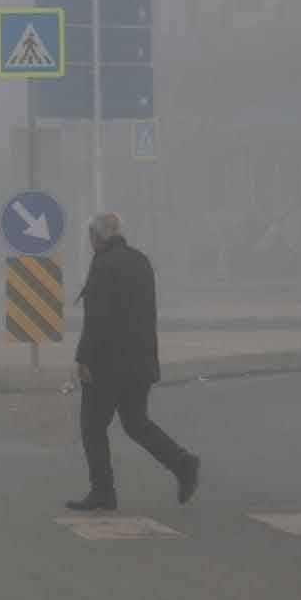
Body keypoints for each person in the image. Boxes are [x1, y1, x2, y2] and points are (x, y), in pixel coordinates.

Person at [67, 213, 201, 512]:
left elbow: (98, 318)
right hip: (140, 363)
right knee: (137, 423)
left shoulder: (102, 264)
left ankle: (103, 492)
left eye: (90, 237)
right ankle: (182, 463)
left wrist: (84, 359)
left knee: (92, 427)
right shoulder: (141, 261)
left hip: (108, 364)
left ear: (96, 238)